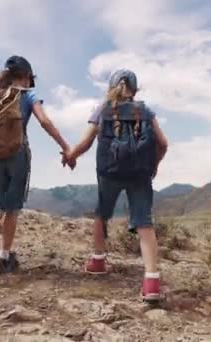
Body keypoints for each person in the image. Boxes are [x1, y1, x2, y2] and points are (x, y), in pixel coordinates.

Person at [63, 69, 169, 302]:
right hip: (140, 174)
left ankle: (98, 261)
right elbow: (163, 143)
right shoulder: (146, 111)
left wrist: (71, 155)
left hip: (109, 173)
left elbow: (87, 141)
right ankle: (151, 282)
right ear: (135, 89)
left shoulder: (102, 109)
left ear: (110, 87)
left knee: (102, 214)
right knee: (144, 223)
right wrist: (154, 165)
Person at [0, 55, 74, 277]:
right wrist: (65, 147)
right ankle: (5, 256)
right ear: (27, 76)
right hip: (17, 154)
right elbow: (45, 121)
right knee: (12, 207)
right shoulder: (27, 94)